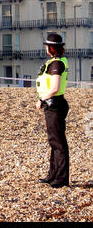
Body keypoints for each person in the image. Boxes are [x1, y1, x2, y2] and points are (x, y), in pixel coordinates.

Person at [36, 33, 70, 188]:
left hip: (54, 104)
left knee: (58, 142)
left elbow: (55, 87)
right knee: (54, 140)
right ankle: (53, 175)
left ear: (51, 47)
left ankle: (61, 179)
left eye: (47, 46)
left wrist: (42, 99)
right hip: (55, 104)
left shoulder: (56, 64)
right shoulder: (57, 62)